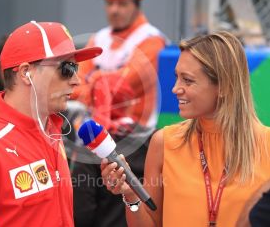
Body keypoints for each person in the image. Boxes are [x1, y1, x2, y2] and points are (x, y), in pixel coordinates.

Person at [100, 31, 270, 226]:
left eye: (187, 80)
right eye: (177, 77)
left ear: (224, 86)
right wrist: (130, 194)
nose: (175, 88)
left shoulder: (266, 145)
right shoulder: (164, 142)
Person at [0, 21, 102, 226]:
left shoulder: (52, 131)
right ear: (26, 72)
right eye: (67, 68)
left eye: (76, 67)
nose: (77, 80)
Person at [69, 0, 167, 226]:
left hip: (137, 142)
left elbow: (121, 86)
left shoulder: (152, 40)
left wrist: (93, 80)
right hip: (97, 139)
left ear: (136, 4)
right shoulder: (98, 38)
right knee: (86, 208)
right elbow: (74, 86)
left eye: (122, 4)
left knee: (126, 206)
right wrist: (100, 84)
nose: (114, 10)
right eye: (110, 3)